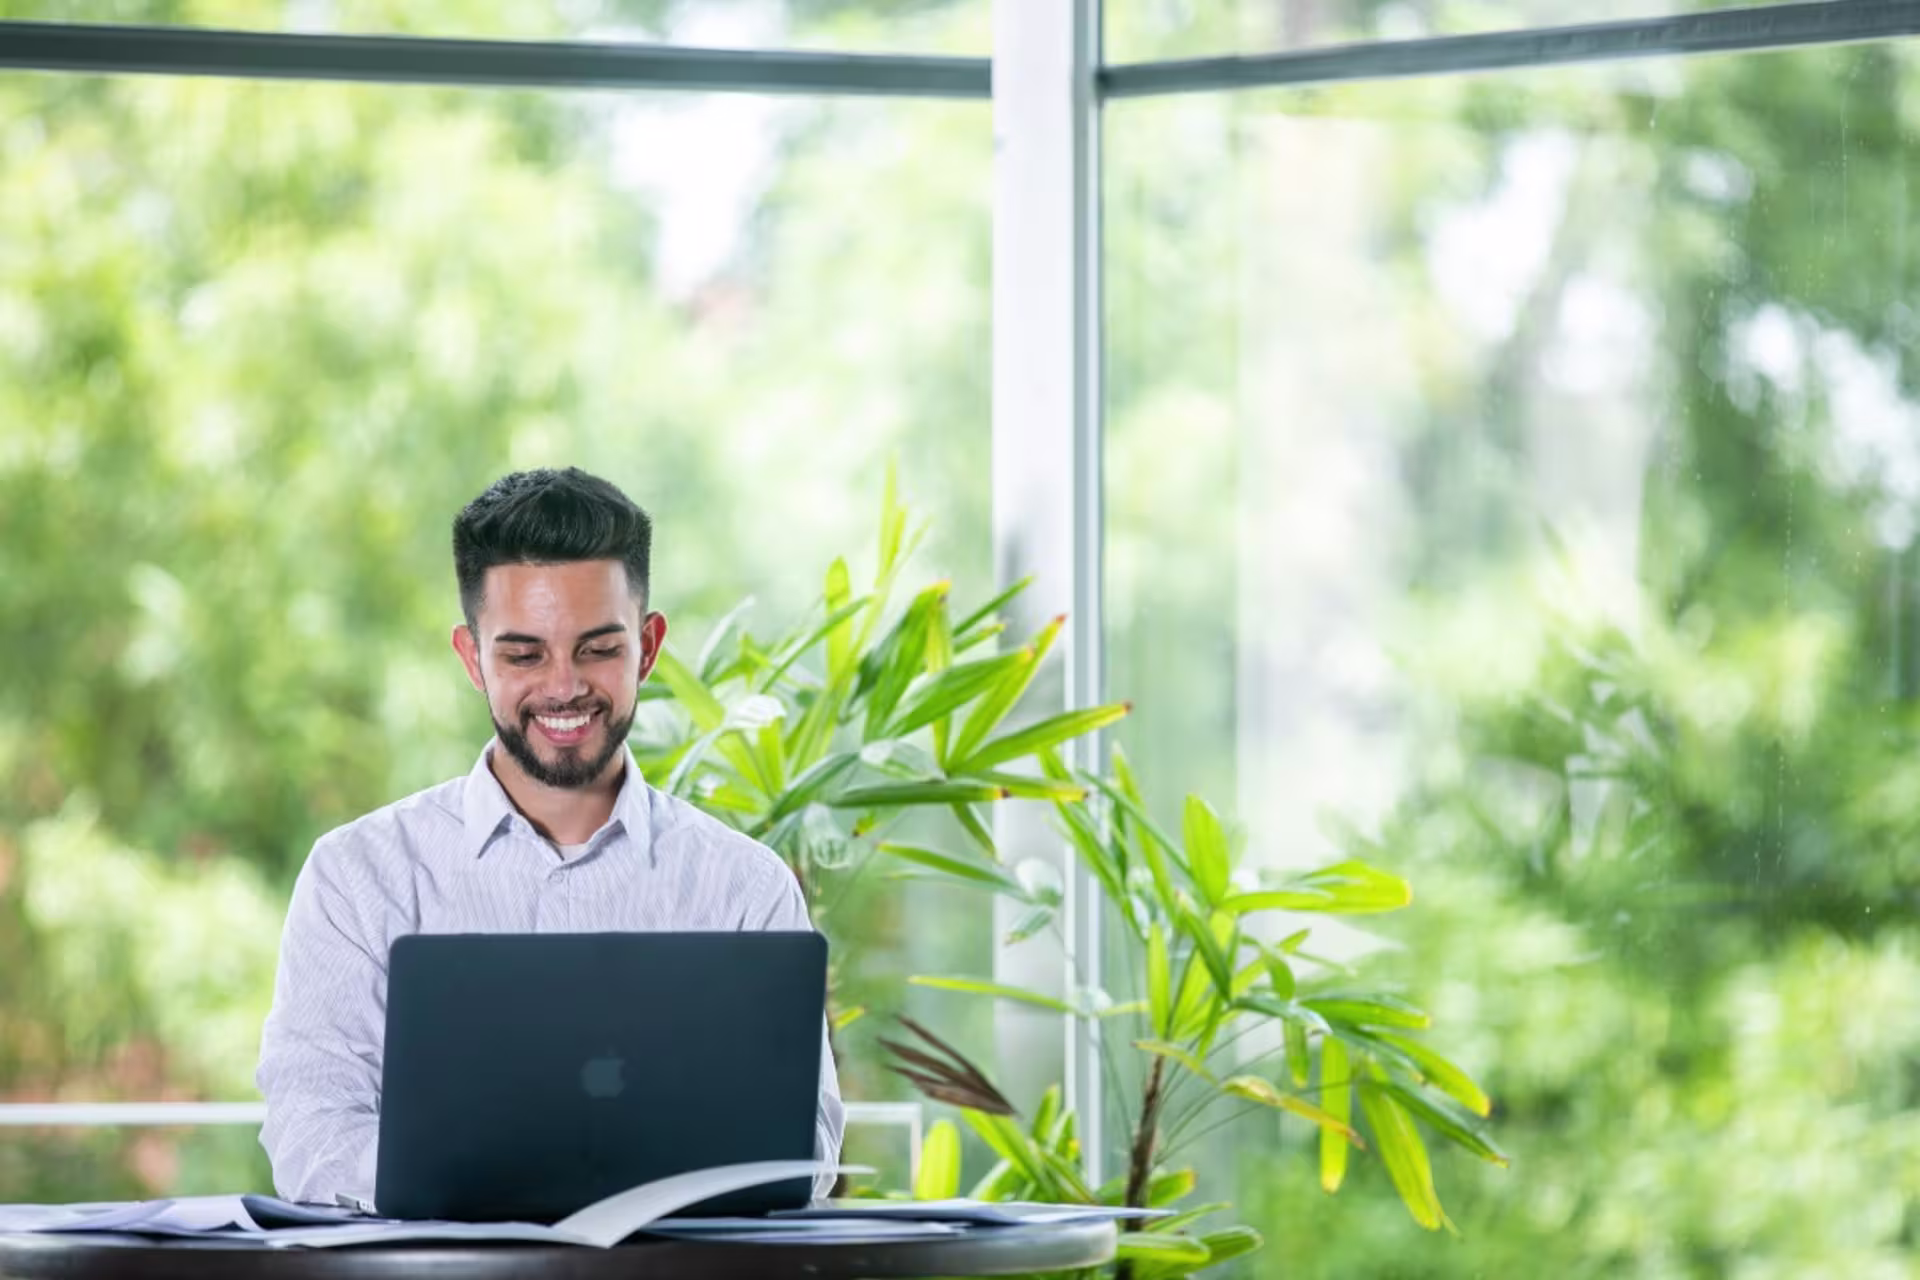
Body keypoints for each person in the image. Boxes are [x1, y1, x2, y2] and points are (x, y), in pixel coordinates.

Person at [255, 467, 844, 1207]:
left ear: (649, 647)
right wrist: (504, 1190)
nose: (563, 686)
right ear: (472, 657)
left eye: (598, 648)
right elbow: (310, 1128)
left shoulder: (745, 889)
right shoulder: (359, 876)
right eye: (523, 654)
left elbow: (803, 1148)